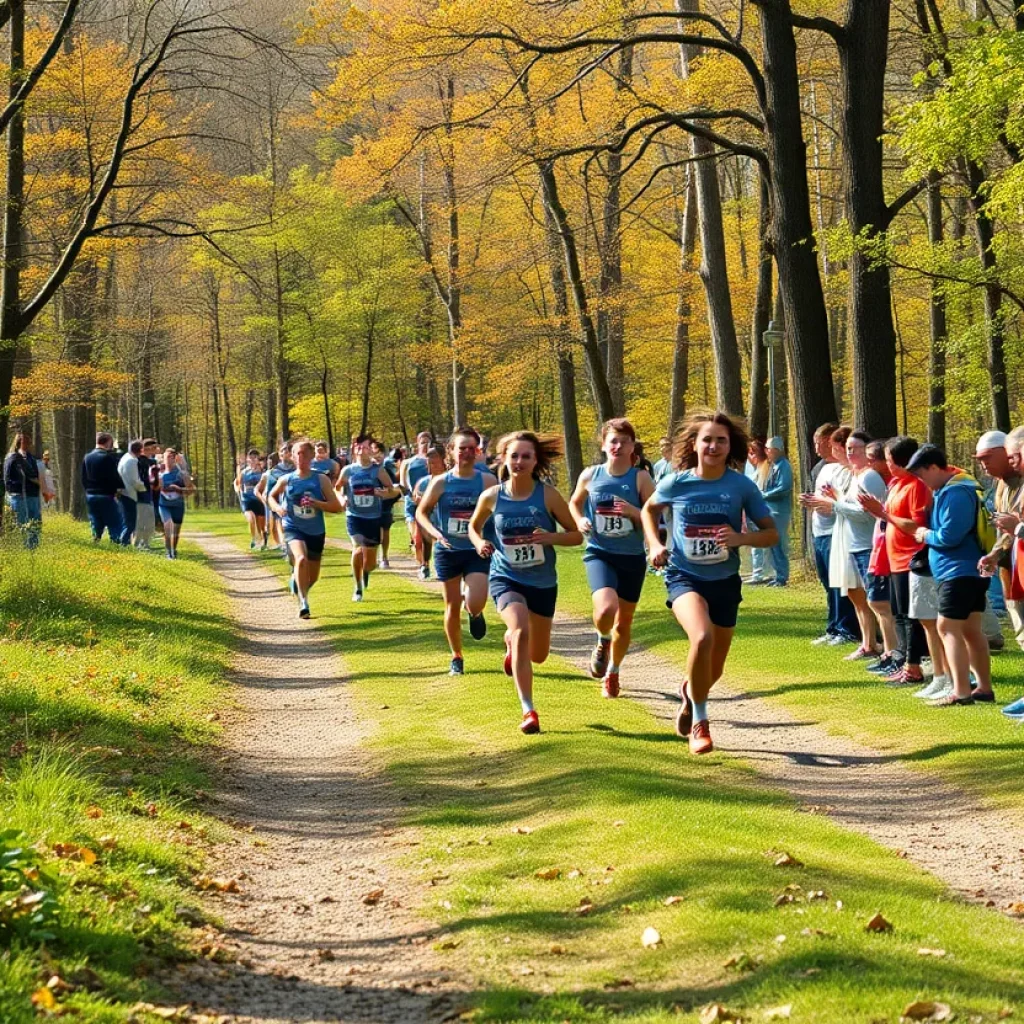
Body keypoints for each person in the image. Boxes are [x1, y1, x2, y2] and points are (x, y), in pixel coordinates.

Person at [641, 411, 778, 756]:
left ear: (730, 446)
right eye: (707, 439)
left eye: (721, 440)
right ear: (694, 444)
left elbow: (771, 534)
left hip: (725, 580)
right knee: (700, 637)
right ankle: (701, 722)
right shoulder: (677, 482)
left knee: (714, 667)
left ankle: (691, 694)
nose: (714, 445)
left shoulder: (741, 485)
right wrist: (656, 544)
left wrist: (740, 538)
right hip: (684, 576)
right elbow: (648, 510)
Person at [468, 432, 582, 734]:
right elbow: (473, 527)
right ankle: (528, 710)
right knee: (519, 631)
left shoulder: (547, 495)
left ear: (535, 461)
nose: (519, 462)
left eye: (526, 456)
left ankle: (511, 645)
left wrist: (552, 537)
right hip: (506, 576)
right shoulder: (492, 496)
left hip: (542, 582)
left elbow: (576, 534)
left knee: (539, 655)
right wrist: (480, 542)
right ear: (503, 458)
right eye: (514, 456)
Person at [900, 444, 994, 706]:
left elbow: (950, 535)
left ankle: (961, 691)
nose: (922, 481)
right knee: (971, 630)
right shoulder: (956, 488)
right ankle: (983, 689)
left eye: (922, 475)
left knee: (947, 627)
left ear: (934, 467)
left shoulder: (956, 492)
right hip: (966, 570)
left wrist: (925, 535)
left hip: (958, 572)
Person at [569, 418, 655, 697]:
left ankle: (613, 672)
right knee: (606, 610)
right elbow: (574, 502)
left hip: (631, 557)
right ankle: (603, 640)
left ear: (633, 446)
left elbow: (655, 517)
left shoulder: (640, 478)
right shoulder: (591, 475)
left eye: (624, 441)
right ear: (604, 445)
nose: (618, 446)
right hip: (600, 552)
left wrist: (634, 512)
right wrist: (580, 519)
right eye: (613, 441)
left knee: (625, 621)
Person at [416, 427, 498, 675]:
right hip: (448, 550)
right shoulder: (441, 482)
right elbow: (422, 511)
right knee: (451, 604)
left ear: (477, 451)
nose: (467, 453)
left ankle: (474, 613)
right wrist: (435, 532)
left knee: (475, 601)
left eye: (471, 448)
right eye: (461, 448)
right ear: (451, 451)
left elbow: (500, 512)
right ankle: (457, 657)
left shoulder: (487, 481)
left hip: (477, 549)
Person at [806, 428, 887, 662]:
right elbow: (849, 506)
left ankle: (888, 649)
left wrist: (835, 506)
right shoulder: (854, 475)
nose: (850, 453)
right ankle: (867, 644)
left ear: (867, 450)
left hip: (866, 544)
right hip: (850, 541)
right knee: (856, 595)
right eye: (848, 449)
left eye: (855, 449)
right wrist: (835, 501)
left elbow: (868, 514)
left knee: (875, 601)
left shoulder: (870, 476)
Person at [858, 437, 934, 686]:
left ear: (901, 461)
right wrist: (878, 511)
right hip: (894, 559)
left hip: (911, 559)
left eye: (889, 460)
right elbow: (889, 518)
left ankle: (914, 667)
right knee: (900, 615)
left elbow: (916, 526)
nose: (886, 465)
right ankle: (904, 662)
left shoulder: (916, 485)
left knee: (911, 617)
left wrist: (883, 513)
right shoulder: (897, 483)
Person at [800, 423, 860, 646]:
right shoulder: (824, 468)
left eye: (821, 443)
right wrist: (812, 502)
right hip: (820, 530)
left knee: (840, 583)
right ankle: (833, 625)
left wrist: (830, 500)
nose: (818, 449)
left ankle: (846, 628)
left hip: (837, 531)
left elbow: (842, 502)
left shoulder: (849, 472)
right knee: (828, 581)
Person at [269, 439, 343, 618]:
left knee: (314, 576)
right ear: (293, 457)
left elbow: (336, 507)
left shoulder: (321, 479)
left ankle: (297, 583)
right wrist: (278, 508)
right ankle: (304, 602)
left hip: (316, 530)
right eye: (297, 454)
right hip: (293, 527)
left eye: (304, 453)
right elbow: (271, 496)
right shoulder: (286, 480)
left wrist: (317, 503)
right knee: (301, 559)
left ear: (311, 456)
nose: (301, 457)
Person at [337, 434, 401, 601]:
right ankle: (357, 587)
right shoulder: (348, 470)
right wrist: (342, 498)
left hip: (373, 517)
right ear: (354, 450)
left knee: (371, 563)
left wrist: (384, 492)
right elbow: (337, 488)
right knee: (357, 549)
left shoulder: (378, 470)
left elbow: (392, 490)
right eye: (358, 447)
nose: (361, 450)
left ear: (371, 451)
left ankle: (365, 571)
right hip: (354, 516)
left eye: (365, 447)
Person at [977, 429, 1024, 653]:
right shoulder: (1000, 485)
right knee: (1018, 618)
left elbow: (1015, 524)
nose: (983, 465)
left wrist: (1017, 527)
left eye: (987, 458)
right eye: (979, 460)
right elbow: (1004, 526)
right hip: (1012, 563)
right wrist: (995, 554)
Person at [4, 431, 49, 549]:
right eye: (25, 441)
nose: (28, 444)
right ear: (19, 442)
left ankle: (33, 548)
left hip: (32, 494)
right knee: (22, 524)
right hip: (19, 495)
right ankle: (24, 548)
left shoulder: (30, 458)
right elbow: (10, 478)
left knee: (36, 522)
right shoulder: (12, 458)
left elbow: (35, 474)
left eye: (29, 442)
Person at [81, 432, 126, 544]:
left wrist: (88, 489)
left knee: (96, 520)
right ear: (108, 442)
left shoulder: (87, 457)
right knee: (114, 522)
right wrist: (119, 487)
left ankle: (96, 540)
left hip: (91, 494)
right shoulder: (107, 457)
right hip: (106, 494)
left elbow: (83, 477)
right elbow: (113, 476)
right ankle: (115, 543)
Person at [760, 436, 793, 587]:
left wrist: (764, 495)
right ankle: (777, 574)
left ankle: (782, 576)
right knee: (773, 543)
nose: (767, 452)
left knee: (778, 544)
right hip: (772, 510)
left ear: (777, 450)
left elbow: (784, 487)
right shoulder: (774, 465)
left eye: (769, 449)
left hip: (779, 511)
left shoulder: (783, 466)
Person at [401, 431, 434, 578]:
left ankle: (425, 564)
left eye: (428, 442)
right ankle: (421, 563)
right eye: (422, 442)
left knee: (427, 538)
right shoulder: (408, 463)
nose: (425, 445)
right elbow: (403, 484)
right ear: (417, 443)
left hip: (429, 503)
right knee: (417, 536)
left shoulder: (435, 462)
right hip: (412, 503)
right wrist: (412, 494)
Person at [743, 437, 770, 584]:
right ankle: (757, 571)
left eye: (753, 453)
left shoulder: (764, 468)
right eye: (749, 453)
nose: (750, 457)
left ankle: (761, 572)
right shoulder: (751, 469)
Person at [157, 448, 193, 559]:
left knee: (176, 530)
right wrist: (158, 486)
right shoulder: (159, 473)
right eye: (165, 457)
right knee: (167, 526)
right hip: (163, 504)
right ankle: (169, 552)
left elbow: (191, 490)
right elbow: (153, 489)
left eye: (170, 457)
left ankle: (174, 549)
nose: (168, 460)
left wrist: (179, 489)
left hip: (178, 505)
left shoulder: (181, 474)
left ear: (175, 459)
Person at [373, 441, 402, 569]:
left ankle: (384, 557)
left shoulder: (387, 471)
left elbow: (396, 489)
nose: (377, 455)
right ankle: (372, 556)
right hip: (369, 508)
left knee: (385, 531)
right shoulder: (364, 471)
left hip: (385, 506)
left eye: (379, 452)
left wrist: (388, 497)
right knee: (372, 533)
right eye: (374, 452)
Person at [117, 440, 148, 546]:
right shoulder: (132, 461)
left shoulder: (125, 457)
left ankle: (125, 542)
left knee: (127, 521)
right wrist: (144, 488)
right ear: (140, 450)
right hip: (128, 494)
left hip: (123, 493)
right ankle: (123, 543)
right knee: (131, 523)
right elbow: (134, 480)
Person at [236, 449, 266, 549]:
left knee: (261, 524)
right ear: (248, 459)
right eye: (251, 458)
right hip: (247, 500)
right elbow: (238, 483)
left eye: (255, 457)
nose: (252, 460)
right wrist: (239, 490)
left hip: (259, 500)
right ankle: (254, 539)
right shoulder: (244, 472)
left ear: (258, 459)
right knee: (251, 518)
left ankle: (263, 540)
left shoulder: (263, 472)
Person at [134, 438, 159, 551]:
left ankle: (145, 543)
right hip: (141, 494)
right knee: (141, 520)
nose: (155, 450)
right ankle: (137, 543)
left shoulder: (150, 461)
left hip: (149, 494)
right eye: (153, 448)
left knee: (149, 520)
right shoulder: (139, 461)